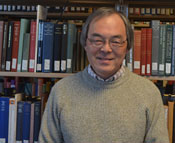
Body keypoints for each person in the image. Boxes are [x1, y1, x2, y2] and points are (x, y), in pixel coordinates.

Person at [39, 7, 169, 143]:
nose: (106, 49)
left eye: (116, 42)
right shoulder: (61, 92)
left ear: (128, 46)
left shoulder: (149, 93)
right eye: (97, 40)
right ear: (85, 43)